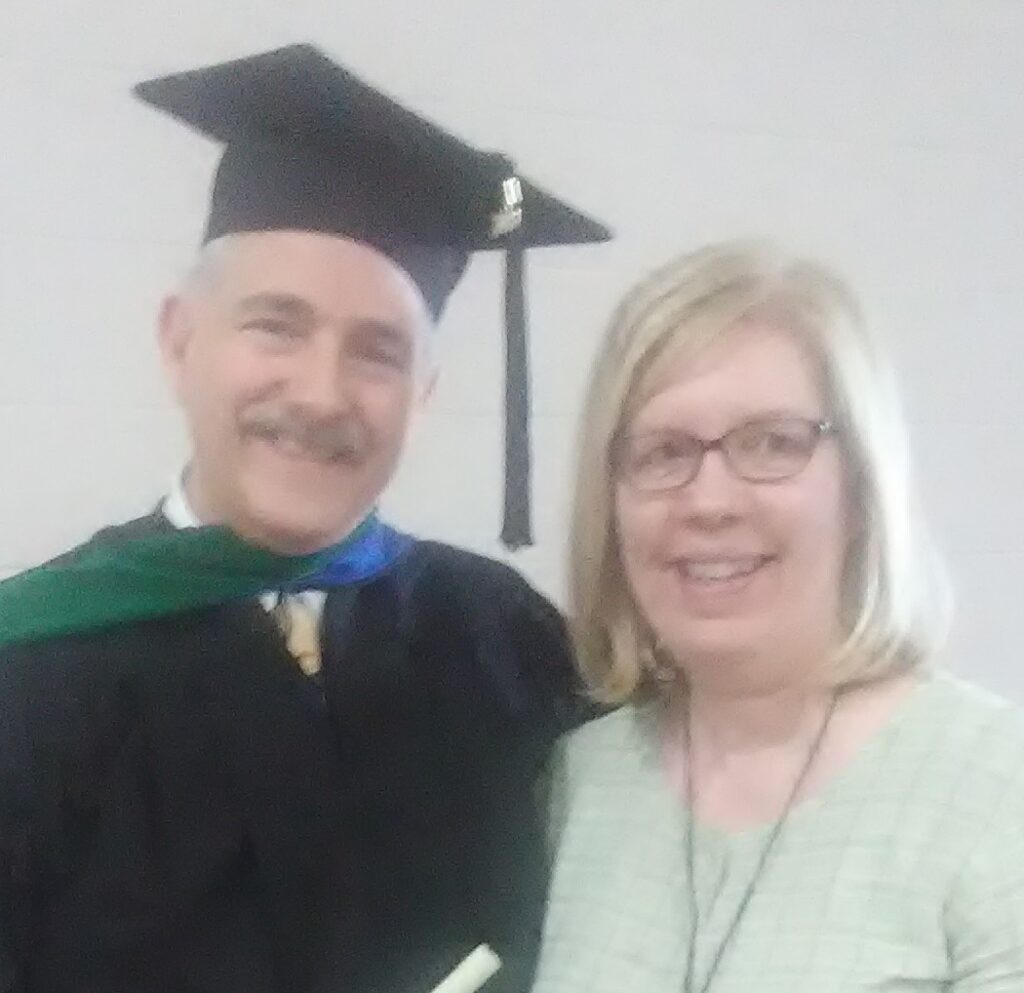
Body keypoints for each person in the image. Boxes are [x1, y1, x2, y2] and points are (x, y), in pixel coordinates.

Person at [0, 45, 609, 993]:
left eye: (378, 351)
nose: (322, 394)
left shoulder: (511, 641)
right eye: (276, 326)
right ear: (179, 341)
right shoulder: (26, 671)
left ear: (423, 392)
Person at [532, 241, 1024, 992]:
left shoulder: (995, 786)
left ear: (861, 484)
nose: (709, 501)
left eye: (772, 444)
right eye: (663, 452)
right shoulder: (577, 783)